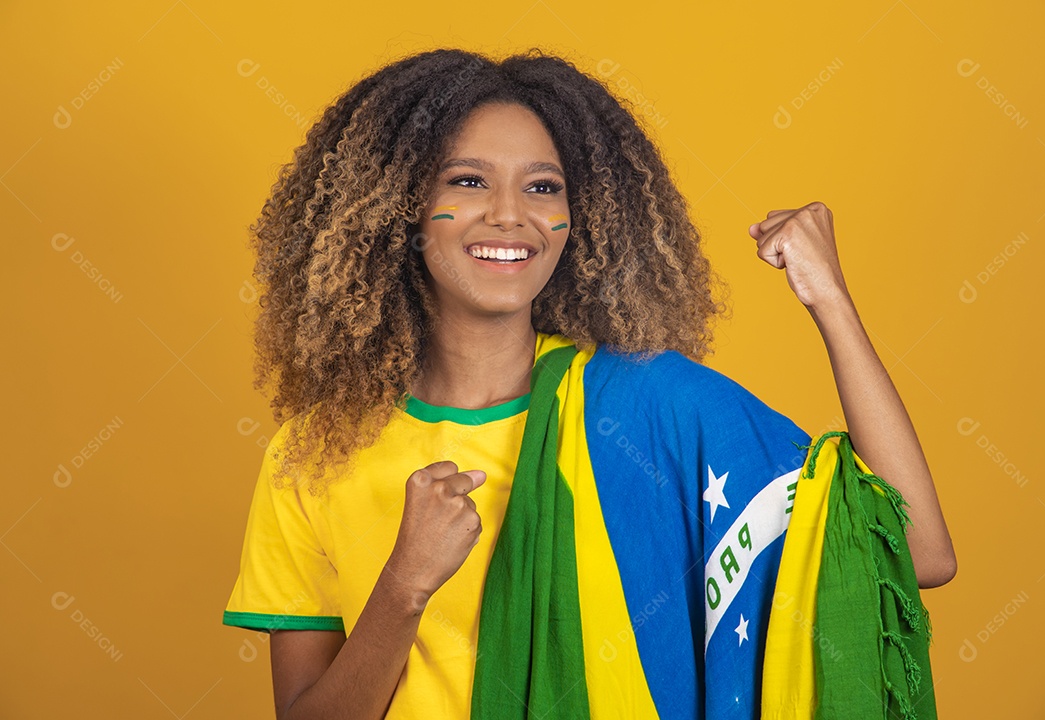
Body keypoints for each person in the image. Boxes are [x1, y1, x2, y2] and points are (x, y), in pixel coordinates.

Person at [221, 47, 956, 719]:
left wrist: (830, 300)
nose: (512, 215)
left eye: (544, 187)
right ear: (399, 210)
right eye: (468, 180)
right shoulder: (313, 456)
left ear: (581, 218)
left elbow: (918, 552)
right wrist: (403, 586)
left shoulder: (647, 407)